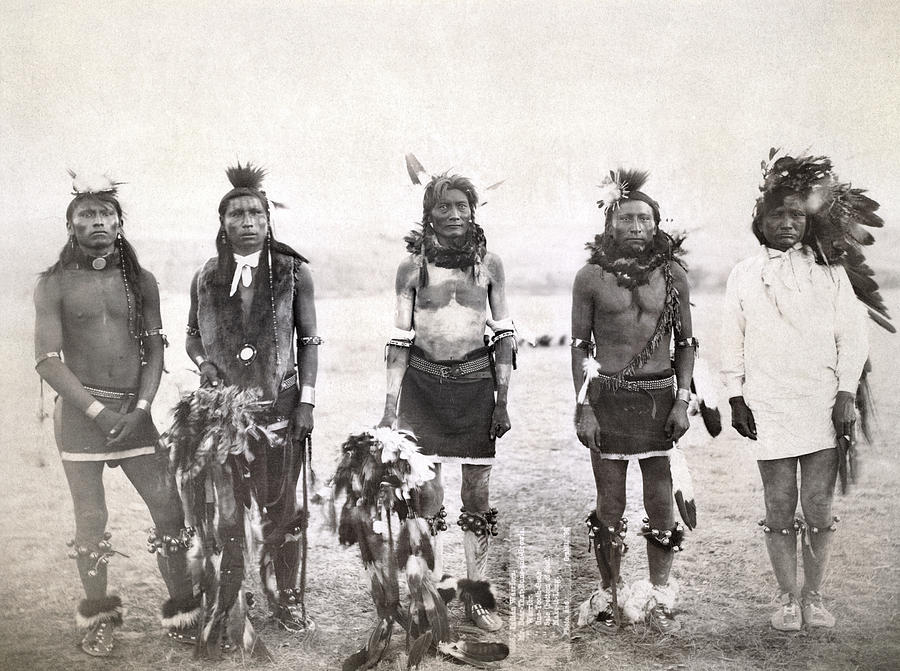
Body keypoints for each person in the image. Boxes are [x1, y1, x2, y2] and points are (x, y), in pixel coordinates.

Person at [34, 173, 197, 657]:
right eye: (86, 214)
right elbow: (46, 359)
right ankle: (99, 617)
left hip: (135, 413)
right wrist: (97, 411)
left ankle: (184, 609)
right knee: (90, 517)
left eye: (106, 213)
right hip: (82, 418)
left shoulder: (141, 282)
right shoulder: (54, 285)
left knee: (169, 506)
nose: (98, 221)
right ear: (71, 227)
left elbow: (154, 350)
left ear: (120, 223)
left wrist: (141, 407)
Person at [721, 152, 873, 631]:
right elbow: (733, 337)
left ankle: (815, 595)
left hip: (821, 402)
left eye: (797, 215)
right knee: (779, 504)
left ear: (810, 223)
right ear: (760, 221)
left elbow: (854, 336)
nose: (787, 223)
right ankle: (788, 597)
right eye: (777, 215)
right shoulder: (744, 274)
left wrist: (846, 392)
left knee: (820, 507)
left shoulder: (830, 272)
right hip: (769, 404)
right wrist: (736, 397)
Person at [185, 162, 319, 634]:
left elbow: (309, 342)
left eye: (255, 214)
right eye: (237, 214)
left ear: (268, 220)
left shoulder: (291, 271)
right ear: (222, 224)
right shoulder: (206, 276)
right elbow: (191, 337)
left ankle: (287, 597)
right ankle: (231, 594)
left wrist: (306, 401)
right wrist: (204, 363)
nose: (247, 222)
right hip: (225, 414)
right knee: (227, 509)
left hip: (280, 406)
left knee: (282, 506)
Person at [379, 173, 515, 632]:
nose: (455, 215)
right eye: (444, 208)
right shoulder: (411, 269)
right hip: (422, 388)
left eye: (462, 206)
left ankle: (476, 596)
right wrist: (389, 408)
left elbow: (504, 334)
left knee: (476, 493)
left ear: (473, 211)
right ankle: (431, 592)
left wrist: (503, 400)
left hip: (477, 388)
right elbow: (400, 340)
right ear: (428, 214)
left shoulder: (490, 265)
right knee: (427, 493)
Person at [572, 169, 695, 633]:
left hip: (660, 400)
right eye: (627, 219)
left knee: (661, 501)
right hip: (607, 398)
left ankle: (662, 595)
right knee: (610, 501)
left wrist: (682, 400)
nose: (638, 227)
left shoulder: (673, 275)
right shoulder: (590, 278)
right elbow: (580, 346)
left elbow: (686, 343)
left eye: (645, 218)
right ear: (610, 225)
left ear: (657, 223)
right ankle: (611, 594)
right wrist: (583, 406)